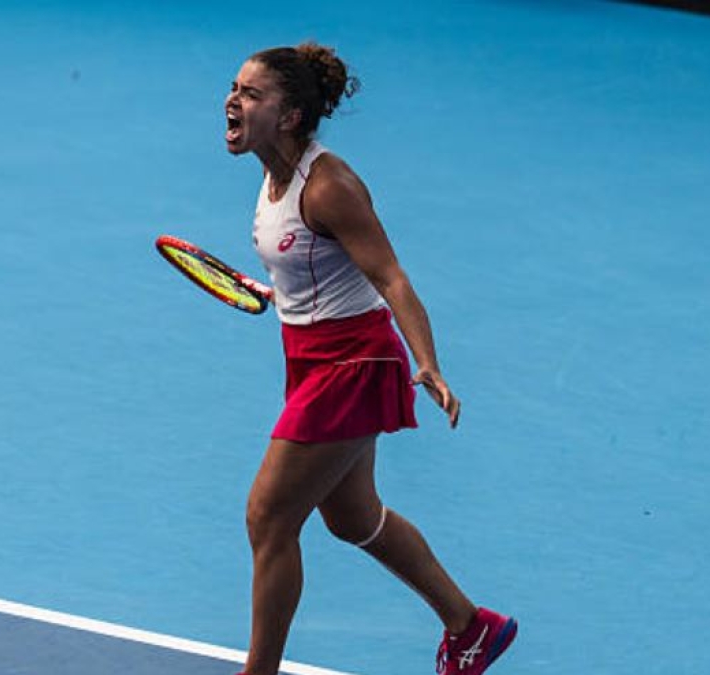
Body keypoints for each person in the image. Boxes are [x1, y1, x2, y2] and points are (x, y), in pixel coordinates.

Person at [222, 43, 517, 675]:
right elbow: (315, 266)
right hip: (309, 359)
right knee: (352, 516)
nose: (233, 100)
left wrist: (428, 361)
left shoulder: (329, 186)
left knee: (268, 516)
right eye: (235, 88)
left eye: (251, 93)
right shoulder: (273, 173)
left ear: (293, 116)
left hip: (352, 366)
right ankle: (471, 627)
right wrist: (283, 295)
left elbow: (391, 278)